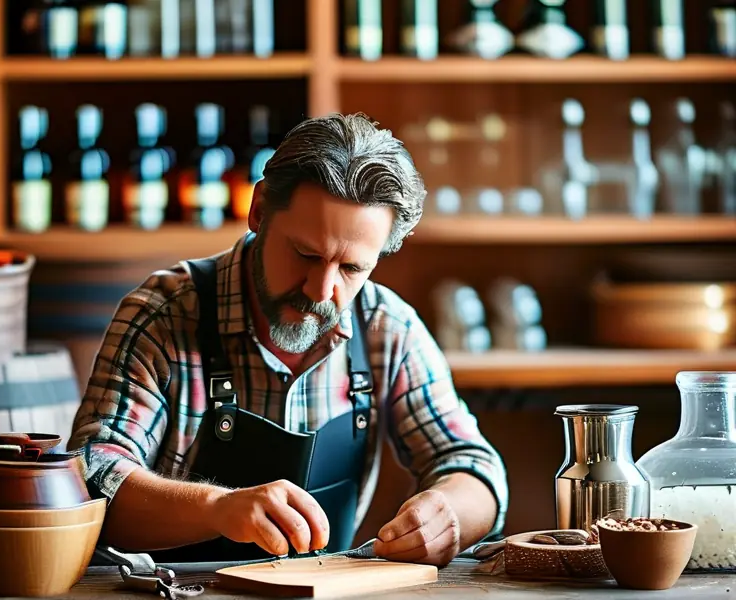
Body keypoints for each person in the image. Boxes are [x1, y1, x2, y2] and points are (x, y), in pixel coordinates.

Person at [67, 112, 508, 567]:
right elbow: (92, 476)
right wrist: (218, 509)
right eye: (305, 254)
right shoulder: (163, 316)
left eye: (351, 268)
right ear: (259, 210)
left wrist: (448, 515)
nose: (321, 290)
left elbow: (474, 466)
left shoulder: (387, 327)